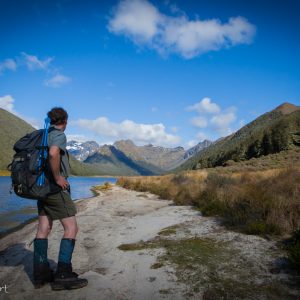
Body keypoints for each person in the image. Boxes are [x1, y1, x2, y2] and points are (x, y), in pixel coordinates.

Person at [33, 107, 88, 290]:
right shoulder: (58, 134)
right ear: (65, 120)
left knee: (43, 228)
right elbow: (53, 153)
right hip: (55, 189)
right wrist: (58, 178)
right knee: (71, 228)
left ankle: (40, 273)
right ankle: (63, 274)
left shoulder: (43, 135)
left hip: (40, 188)